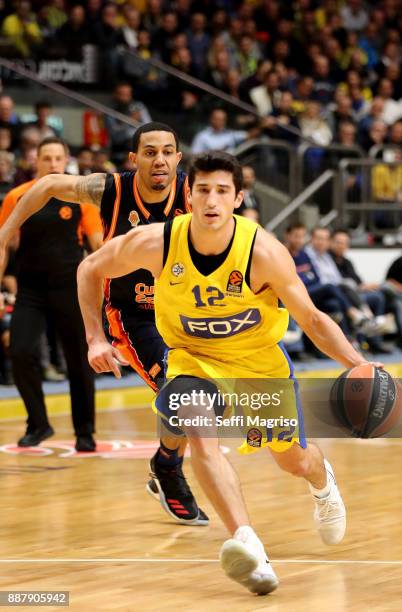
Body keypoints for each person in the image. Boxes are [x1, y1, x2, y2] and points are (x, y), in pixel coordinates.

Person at [76, 151, 379, 595]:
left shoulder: (264, 252)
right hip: (192, 357)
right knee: (199, 430)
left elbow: (312, 319)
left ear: (237, 198)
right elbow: (89, 268)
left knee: (292, 459)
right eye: (202, 190)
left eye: (222, 191)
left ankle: (322, 479)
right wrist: (94, 338)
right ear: (189, 196)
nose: (211, 200)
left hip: (257, 363)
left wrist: (357, 363)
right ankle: (247, 541)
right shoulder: (156, 242)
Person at [0, 122, 207, 527]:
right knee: (181, 391)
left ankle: (165, 460)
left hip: (185, 313)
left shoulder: (194, 192)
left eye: (168, 151)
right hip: (133, 315)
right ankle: (169, 470)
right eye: (150, 152)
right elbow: (46, 186)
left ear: (179, 159)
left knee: (201, 398)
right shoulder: (110, 189)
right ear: (134, 159)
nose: (159, 159)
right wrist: (6, 232)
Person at [0, 137, 103, 451]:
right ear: (36, 161)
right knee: (19, 351)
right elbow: (3, 243)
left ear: (67, 160)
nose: (53, 164)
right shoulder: (18, 196)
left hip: (71, 287)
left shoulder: (82, 198)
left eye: (58, 158)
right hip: (31, 289)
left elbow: (98, 246)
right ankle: (39, 423)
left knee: (79, 360)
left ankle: (84, 431)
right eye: (47, 158)